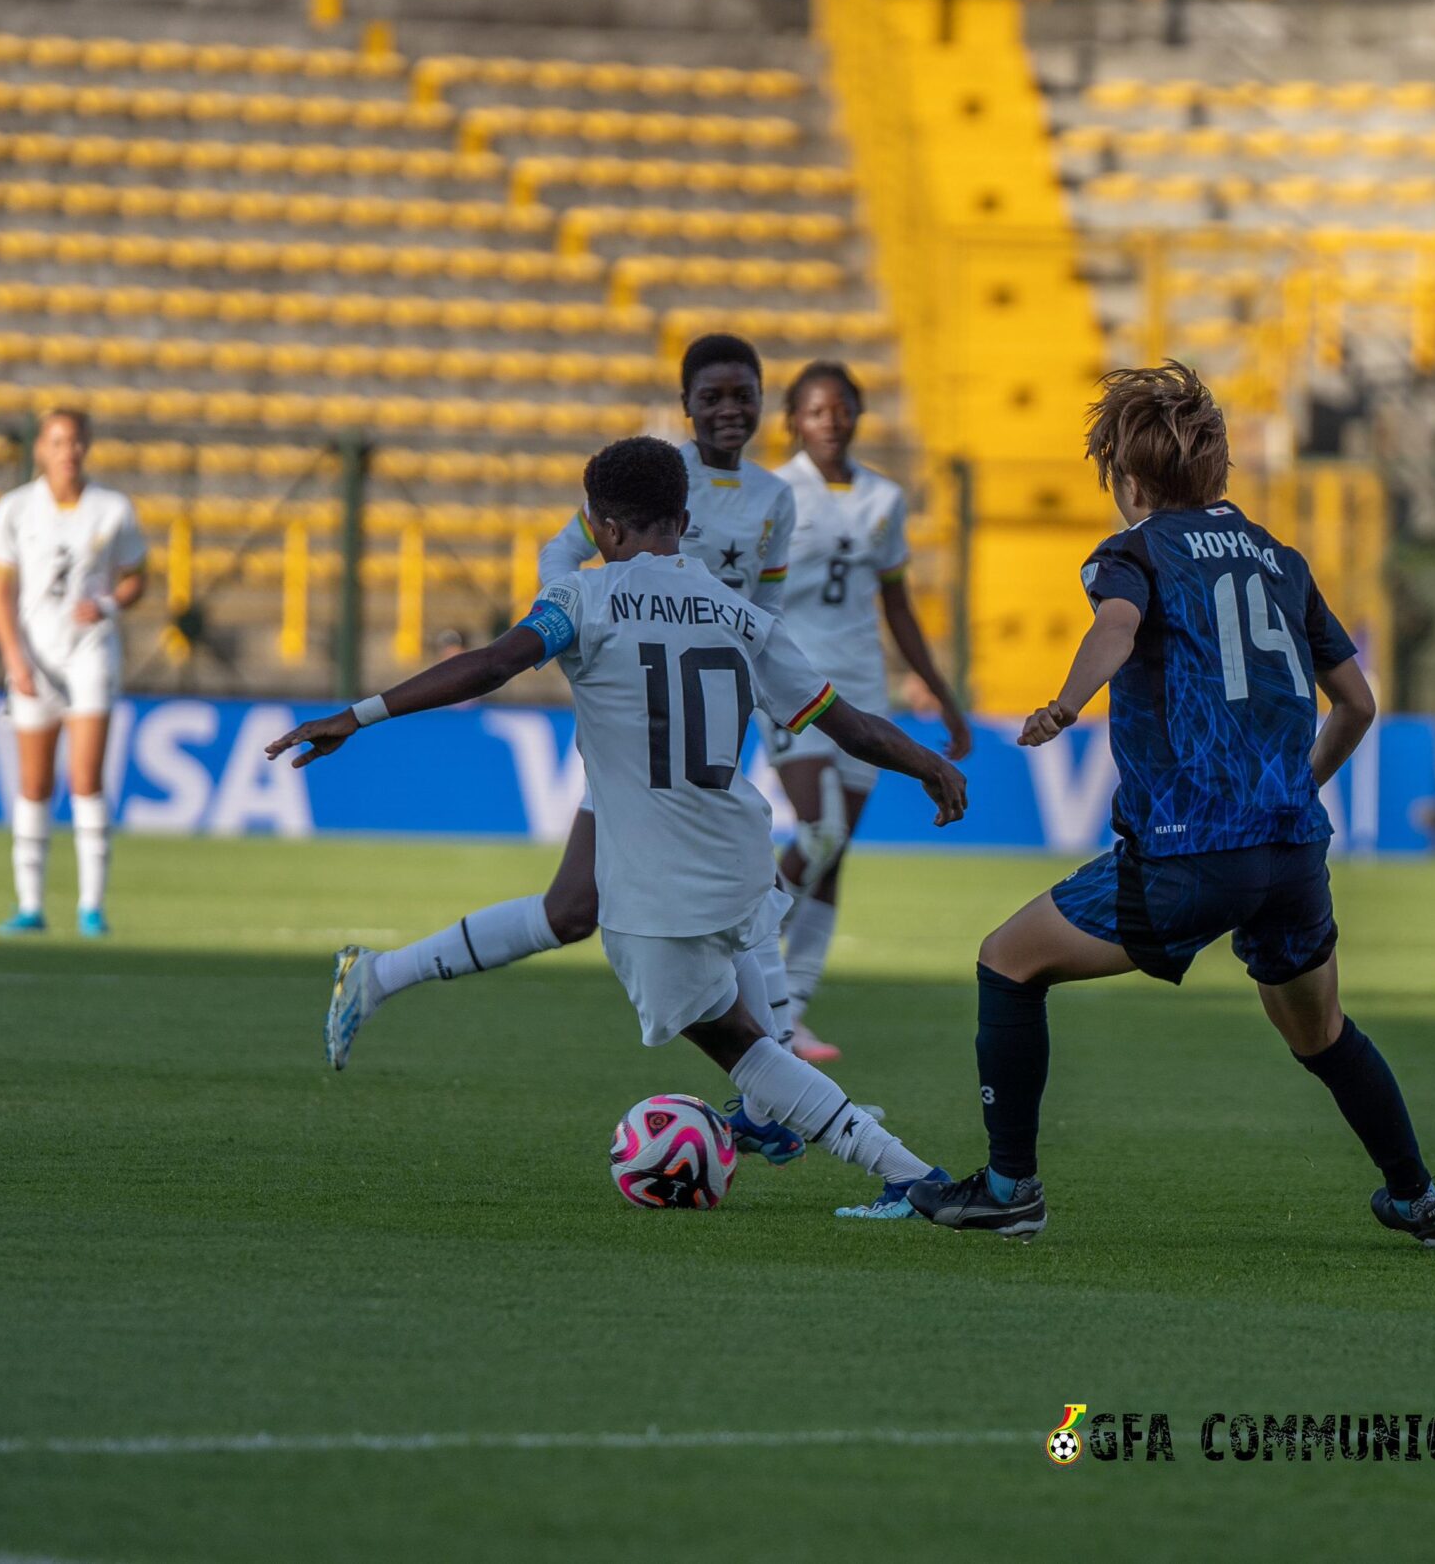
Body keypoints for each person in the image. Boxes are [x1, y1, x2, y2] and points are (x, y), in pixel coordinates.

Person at [269, 435, 967, 1213]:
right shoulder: (739, 616)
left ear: (602, 528)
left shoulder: (583, 600)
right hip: (739, 854)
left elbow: (493, 664)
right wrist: (929, 763)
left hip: (655, 888)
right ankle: (786, 1123)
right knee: (744, 1029)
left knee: (740, 1048)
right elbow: (848, 725)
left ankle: (909, 1176)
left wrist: (359, 716)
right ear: (686, 516)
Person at [904, 362, 1435, 1248]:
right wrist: (1292, 789)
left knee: (1006, 962)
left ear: (1126, 481)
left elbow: (1116, 629)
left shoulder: (1134, 553)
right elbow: (1356, 704)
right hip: (1291, 851)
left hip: (1190, 852)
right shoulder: (1282, 561)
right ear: (1221, 470)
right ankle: (1419, 1200)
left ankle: (1010, 1187)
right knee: (1321, 1033)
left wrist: (1067, 700)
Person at [323, 334, 797, 1056]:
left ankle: (378, 976)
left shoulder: (776, 498)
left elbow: (768, 612)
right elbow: (562, 549)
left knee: (578, 909)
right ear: (687, 407)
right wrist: (570, 613)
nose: (730, 411)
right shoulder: (658, 478)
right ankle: (784, 1077)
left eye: (744, 396)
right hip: (639, 724)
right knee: (728, 882)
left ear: (765, 401)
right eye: (712, 398)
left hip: (701, 721)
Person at [762, 361, 972, 1063]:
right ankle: (741, 953)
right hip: (791, 679)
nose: (831, 421)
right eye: (816, 412)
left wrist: (940, 693)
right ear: (794, 420)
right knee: (818, 832)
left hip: (862, 686)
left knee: (835, 853)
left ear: (857, 414)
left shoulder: (884, 496)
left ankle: (788, 1013)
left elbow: (897, 604)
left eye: (841, 409)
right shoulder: (775, 494)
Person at [0, 407, 148, 937]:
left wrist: (110, 604)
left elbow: (137, 577)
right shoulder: (15, 508)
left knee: (86, 778)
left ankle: (91, 906)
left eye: (75, 441)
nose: (67, 451)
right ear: (41, 450)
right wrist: (13, 657)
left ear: (87, 447)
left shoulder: (112, 508)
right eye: (57, 442)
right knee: (33, 783)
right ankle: (30, 905)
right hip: (34, 656)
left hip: (90, 652)